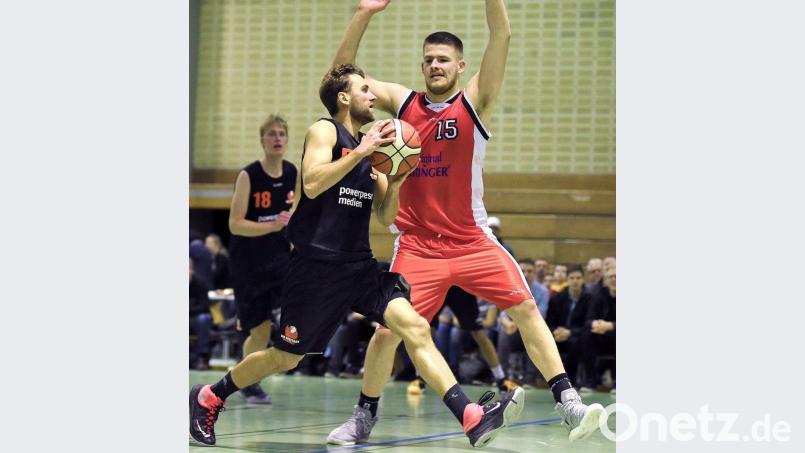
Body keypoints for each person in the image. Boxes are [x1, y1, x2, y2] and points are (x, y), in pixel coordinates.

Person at [189, 64, 524, 448]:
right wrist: (361, 150)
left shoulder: (374, 150)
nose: (373, 95)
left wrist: (394, 181)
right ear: (343, 97)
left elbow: (385, 215)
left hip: (360, 268)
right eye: (364, 89)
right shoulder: (324, 131)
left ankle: (470, 417)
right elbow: (313, 184)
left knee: (414, 327)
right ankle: (209, 396)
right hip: (315, 269)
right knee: (285, 358)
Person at [326, 0, 603, 445]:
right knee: (385, 333)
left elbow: (502, 37)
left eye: (443, 59)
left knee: (527, 308)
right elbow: (341, 77)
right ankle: (363, 417)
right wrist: (363, 13)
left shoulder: (476, 100)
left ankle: (568, 402)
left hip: (471, 239)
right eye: (428, 59)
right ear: (422, 65)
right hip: (416, 245)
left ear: (460, 65)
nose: (435, 65)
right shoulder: (403, 103)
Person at [226, 114, 298, 404]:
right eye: (271, 134)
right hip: (249, 263)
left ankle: (258, 373)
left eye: (282, 133)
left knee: (282, 320)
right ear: (262, 140)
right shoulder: (249, 175)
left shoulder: (293, 172)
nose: (277, 138)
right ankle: (246, 382)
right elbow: (234, 224)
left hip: (280, 260)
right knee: (258, 329)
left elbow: (298, 213)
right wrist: (272, 225)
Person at [545, 264, 592, 386]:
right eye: (572, 278)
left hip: (578, 336)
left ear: (583, 279)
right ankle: (549, 380)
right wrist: (555, 331)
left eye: (578, 278)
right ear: (567, 280)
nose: (575, 281)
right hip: (558, 334)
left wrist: (570, 332)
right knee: (545, 340)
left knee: (576, 342)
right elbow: (549, 321)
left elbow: (588, 323)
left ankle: (570, 382)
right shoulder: (557, 297)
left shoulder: (590, 298)